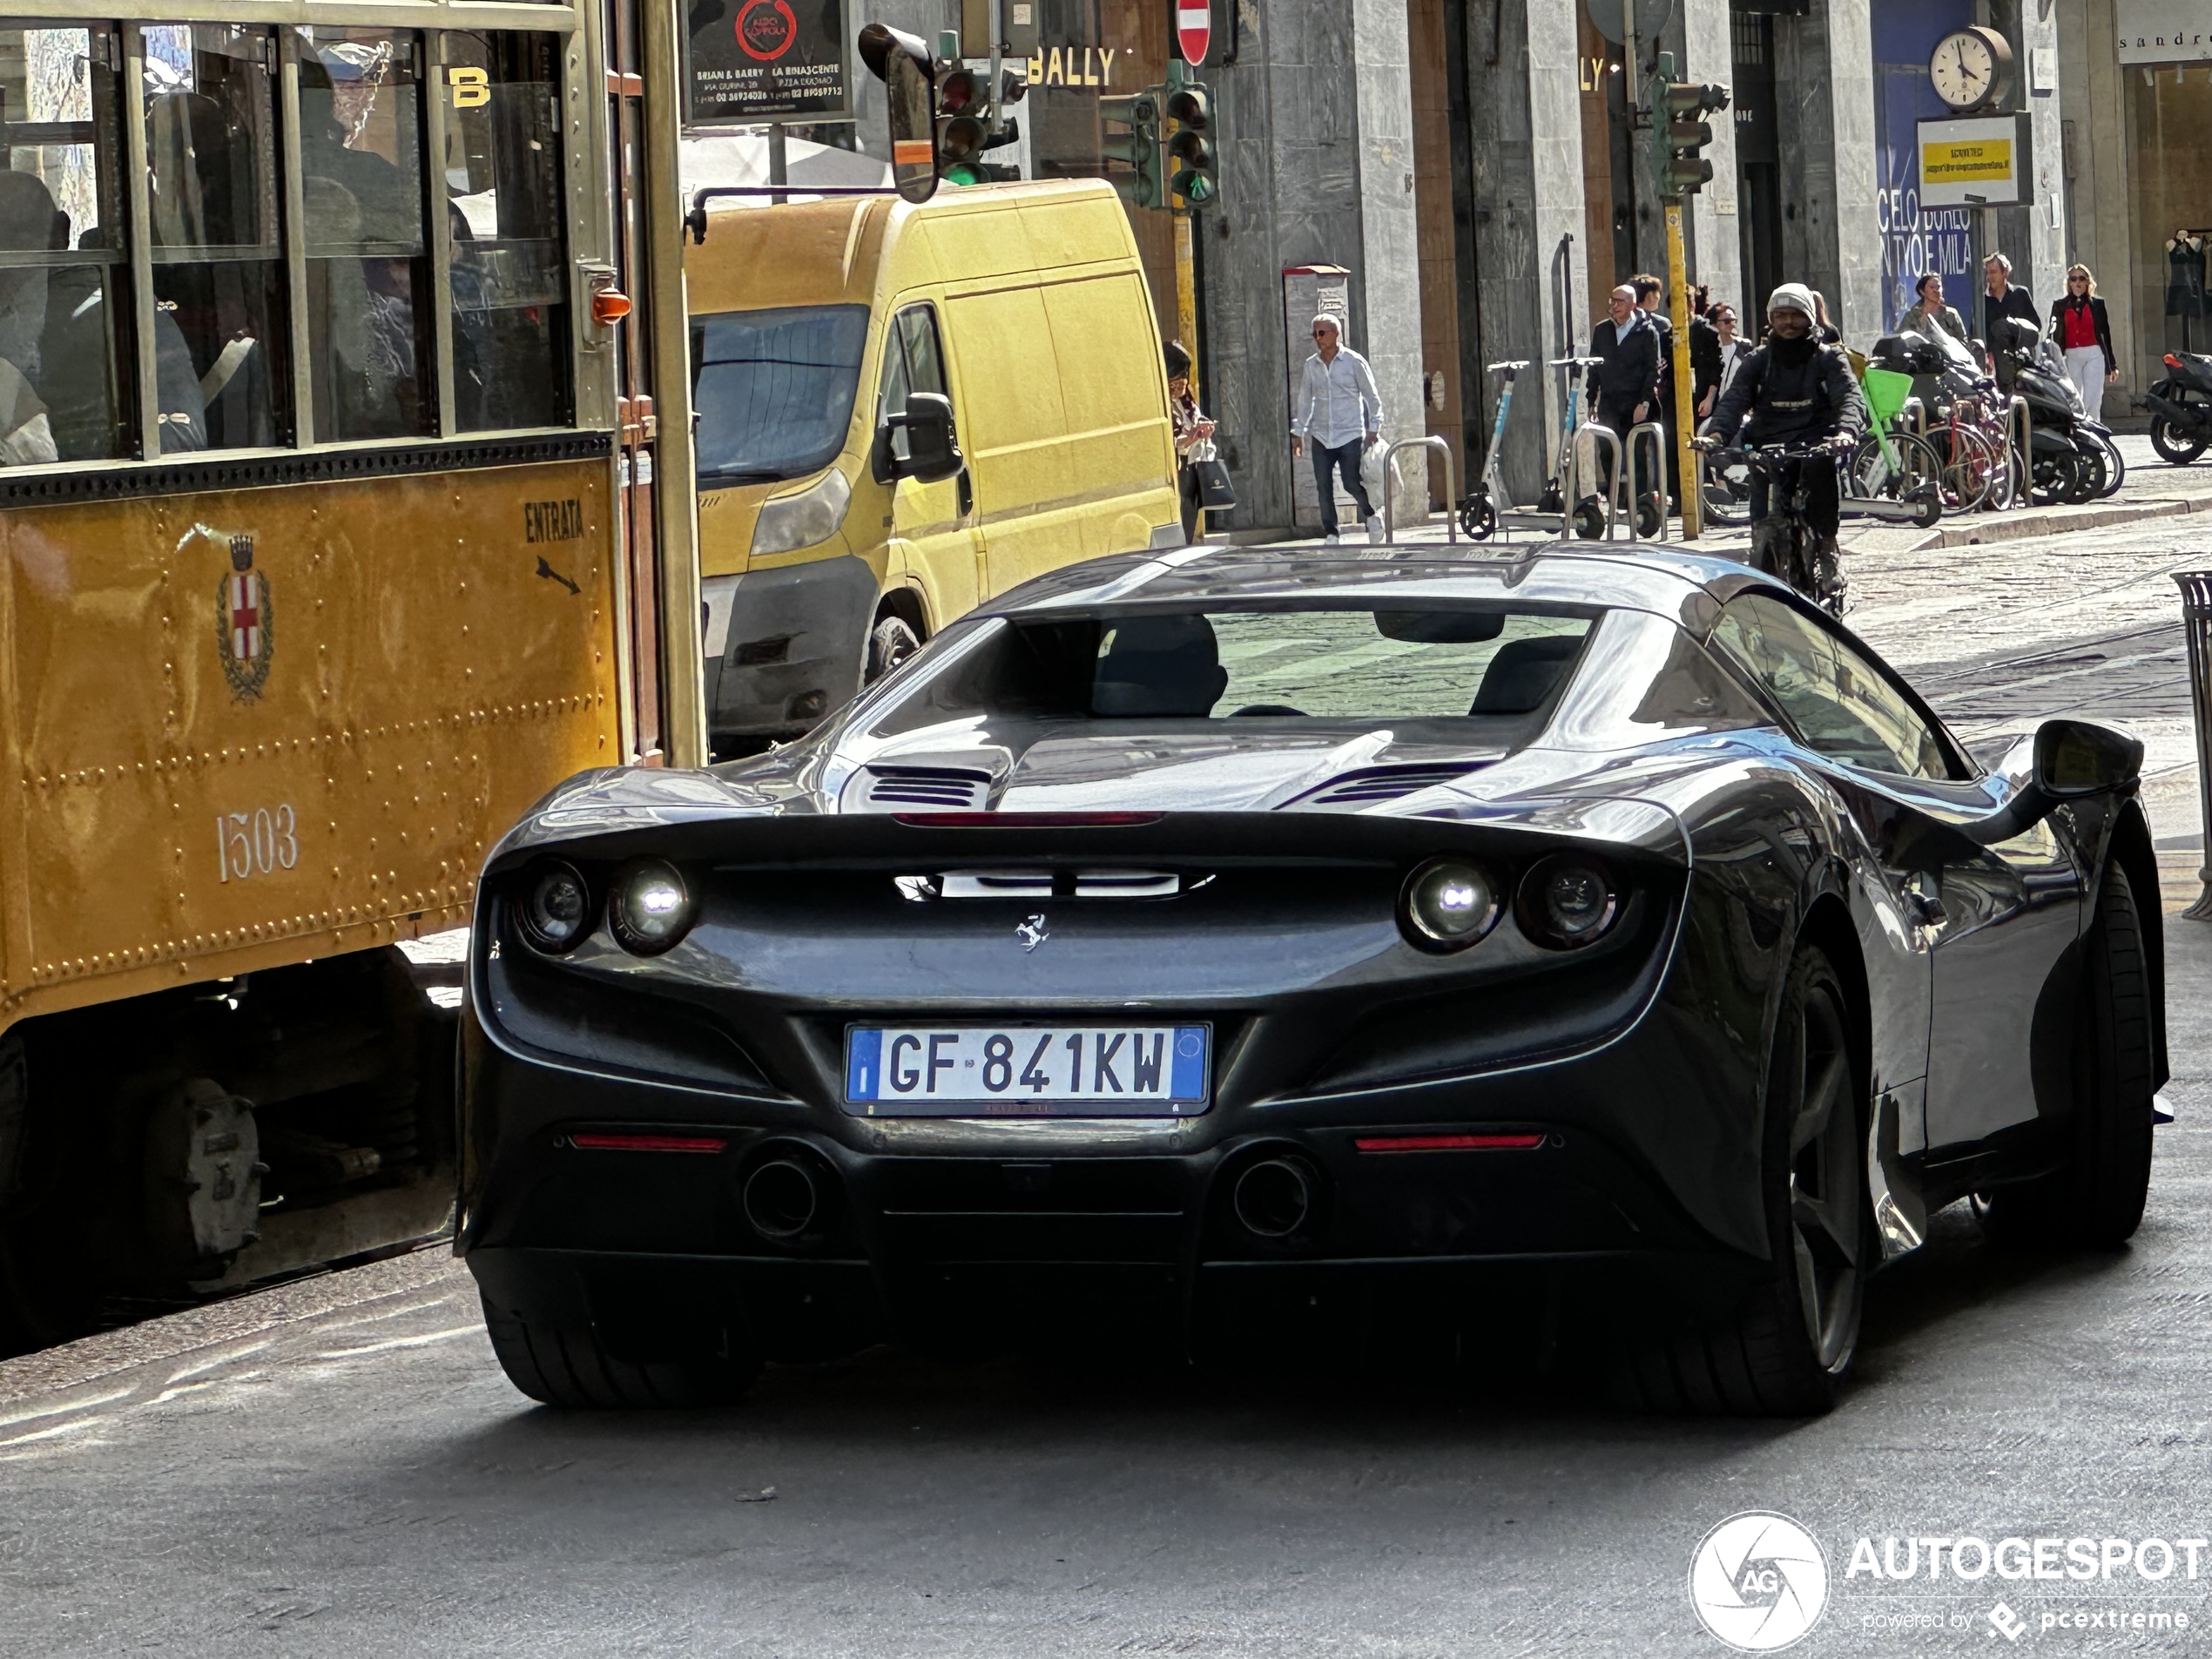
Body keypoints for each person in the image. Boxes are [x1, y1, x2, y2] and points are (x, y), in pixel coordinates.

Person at [1696, 282, 1869, 606]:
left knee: (1821, 477)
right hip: (1769, 443)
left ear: (1809, 318)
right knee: (1761, 505)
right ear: (1770, 319)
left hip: (1815, 441)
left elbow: (1849, 396)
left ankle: (1828, 547)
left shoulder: (1828, 358)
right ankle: (1760, 555)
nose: (1787, 323)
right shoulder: (1758, 360)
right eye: (1780, 316)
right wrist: (1716, 434)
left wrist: (1845, 432)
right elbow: (1734, 398)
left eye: (1795, 316)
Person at [1290, 313, 1382, 543]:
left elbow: (1372, 397)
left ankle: (1371, 515)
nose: (1317, 338)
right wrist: (1298, 432)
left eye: (1321, 333)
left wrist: (1374, 429)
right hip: (1321, 435)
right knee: (1323, 487)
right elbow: (1305, 400)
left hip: (1350, 434)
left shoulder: (1354, 362)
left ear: (1335, 334)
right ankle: (1331, 531)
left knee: (1351, 482)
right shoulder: (1312, 365)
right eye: (1315, 334)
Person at [1586, 285, 1660, 475]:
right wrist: (1591, 400)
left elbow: (1653, 370)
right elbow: (1594, 367)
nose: (1615, 306)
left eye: (1621, 302)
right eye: (1613, 300)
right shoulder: (1602, 330)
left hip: (1635, 402)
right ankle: (1614, 499)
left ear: (1633, 304)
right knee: (1607, 451)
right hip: (1609, 402)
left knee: (1636, 455)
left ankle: (1640, 500)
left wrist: (1644, 403)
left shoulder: (1647, 331)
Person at [2051, 264, 2117, 423]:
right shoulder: (2060, 305)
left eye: (2082, 278)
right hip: (2071, 354)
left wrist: (2111, 365)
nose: (2078, 282)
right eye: (2073, 279)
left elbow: (2105, 335)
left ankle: (2094, 431)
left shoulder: (2097, 305)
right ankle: (2077, 432)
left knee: (2093, 398)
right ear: (2069, 283)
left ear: (2088, 282)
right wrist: (2055, 362)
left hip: (2094, 353)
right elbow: (2055, 335)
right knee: (2073, 398)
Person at [1164, 340, 1216, 543]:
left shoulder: (1186, 403)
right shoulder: (1163, 405)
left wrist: (1204, 427)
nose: (1178, 388)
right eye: (1173, 384)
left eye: (1182, 382)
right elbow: (1173, 441)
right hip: (1178, 469)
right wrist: (1193, 435)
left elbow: (1195, 419)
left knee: (1190, 517)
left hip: (1193, 467)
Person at [1899, 272, 1968, 343]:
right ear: (1922, 291)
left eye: (1939, 287)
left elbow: (1963, 342)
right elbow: (1903, 341)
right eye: (1932, 287)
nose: (1937, 291)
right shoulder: (1912, 316)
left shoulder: (1951, 314)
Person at [1982, 253, 2038, 339]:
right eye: (1987, 273)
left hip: (2019, 350)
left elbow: (2036, 325)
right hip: (1994, 352)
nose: (1989, 277)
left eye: (1993, 272)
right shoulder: (1984, 302)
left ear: (2005, 272)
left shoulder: (2020, 294)